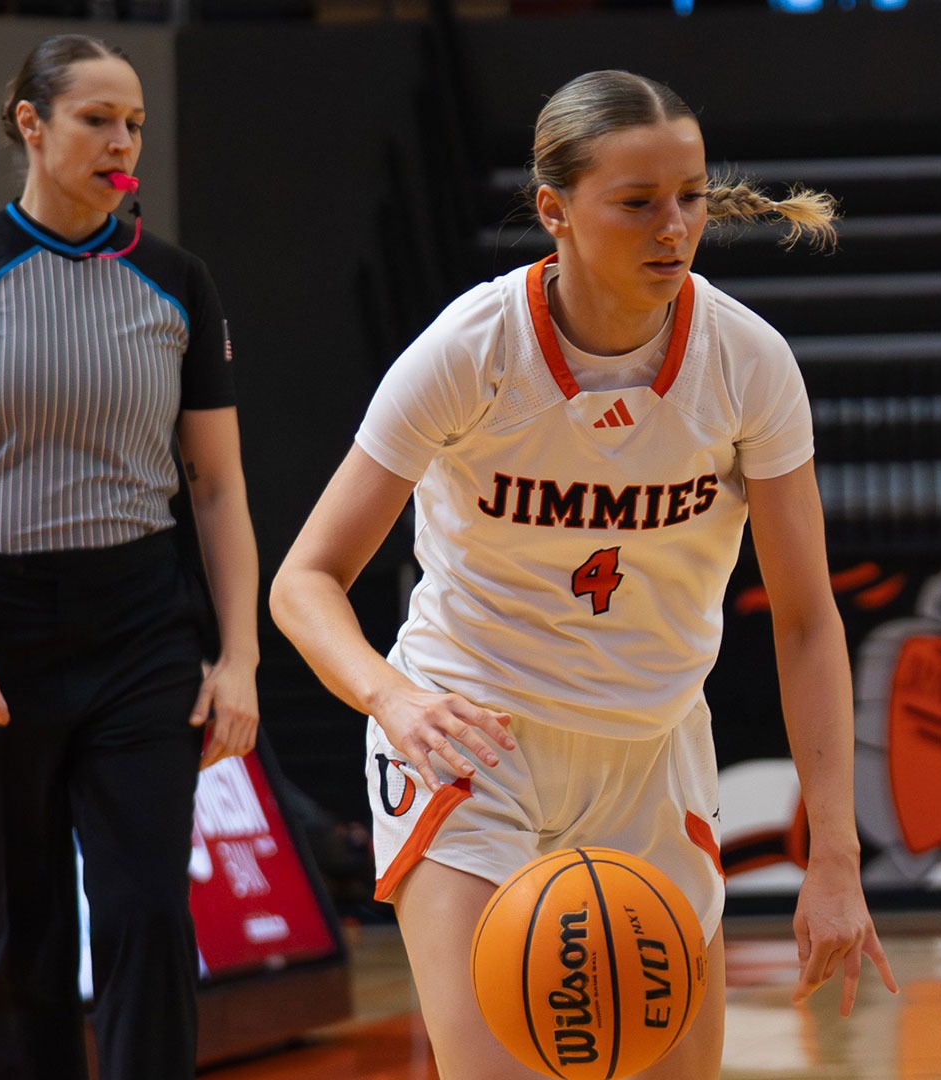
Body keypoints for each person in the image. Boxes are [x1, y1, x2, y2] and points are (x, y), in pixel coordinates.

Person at [270, 69, 896, 1079]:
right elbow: (304, 581)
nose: (675, 228)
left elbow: (807, 621)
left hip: (650, 753)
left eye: (690, 196)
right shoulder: (471, 352)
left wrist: (834, 859)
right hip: (470, 743)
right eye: (639, 203)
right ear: (554, 211)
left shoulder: (747, 362)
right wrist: (393, 700)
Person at [0, 33, 261, 1080]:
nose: (122, 140)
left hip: (141, 621)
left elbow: (219, 487)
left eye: (134, 122)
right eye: (97, 119)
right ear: (30, 125)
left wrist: (241, 659)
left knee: (146, 906)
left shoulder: (178, 282)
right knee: (19, 926)